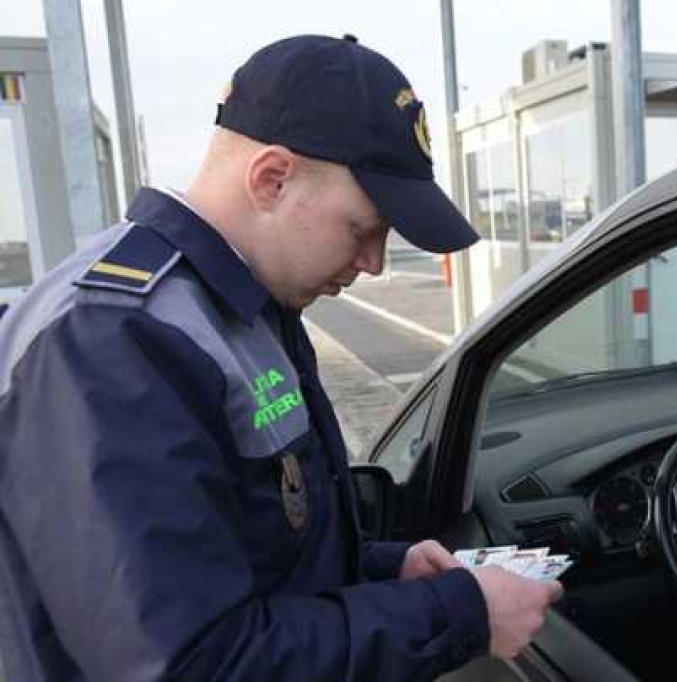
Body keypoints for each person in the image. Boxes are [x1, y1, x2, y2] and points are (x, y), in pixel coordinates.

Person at [0, 34, 560, 681]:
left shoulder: (241, 306)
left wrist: (387, 572)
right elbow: (194, 662)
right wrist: (455, 614)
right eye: (364, 227)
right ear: (271, 179)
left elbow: (256, 554)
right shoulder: (113, 341)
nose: (376, 262)